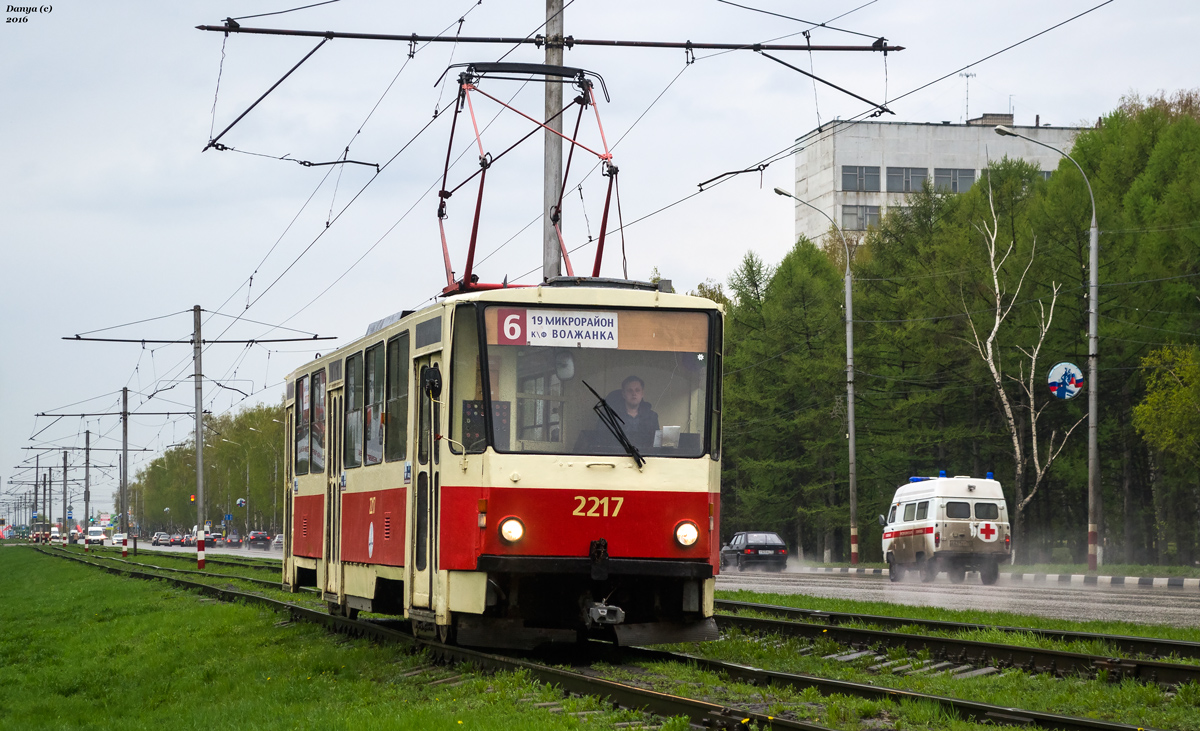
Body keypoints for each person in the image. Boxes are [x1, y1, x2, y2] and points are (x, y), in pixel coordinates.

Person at [605, 375, 660, 450]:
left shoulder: (652, 417)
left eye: (637, 390)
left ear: (642, 394)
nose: (634, 394)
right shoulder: (612, 416)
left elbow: (656, 444)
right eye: (630, 390)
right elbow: (604, 442)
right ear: (623, 394)